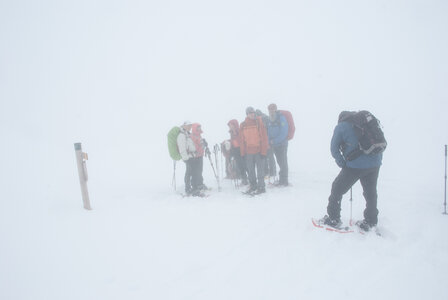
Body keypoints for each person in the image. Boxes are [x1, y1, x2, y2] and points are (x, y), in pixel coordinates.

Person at [322, 111, 383, 231]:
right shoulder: (367, 124)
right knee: (370, 193)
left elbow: (334, 148)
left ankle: (333, 219)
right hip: (375, 164)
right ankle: (371, 221)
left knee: (337, 189)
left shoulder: (341, 126)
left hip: (355, 166)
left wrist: (342, 163)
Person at [240, 107, 269, 194]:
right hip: (249, 152)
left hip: (259, 151)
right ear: (247, 114)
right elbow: (242, 140)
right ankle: (253, 186)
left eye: (253, 112)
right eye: (250, 113)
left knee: (260, 171)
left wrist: (264, 152)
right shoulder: (243, 125)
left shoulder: (259, 123)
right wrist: (242, 153)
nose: (252, 114)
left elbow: (264, 138)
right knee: (251, 171)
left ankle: (261, 187)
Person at [266, 104, 289, 186]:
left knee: (283, 162)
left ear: (276, 109)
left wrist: (274, 141)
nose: (271, 111)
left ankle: (284, 181)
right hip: (274, 145)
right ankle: (282, 180)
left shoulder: (281, 118)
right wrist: (269, 141)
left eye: (272, 109)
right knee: (280, 162)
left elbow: (284, 133)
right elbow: (268, 131)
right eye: (269, 110)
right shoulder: (269, 120)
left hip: (282, 144)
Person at [177, 121, 201, 196]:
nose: (190, 127)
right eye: (188, 126)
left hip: (192, 156)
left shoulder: (186, 134)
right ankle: (188, 189)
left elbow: (190, 145)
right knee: (189, 172)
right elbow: (182, 148)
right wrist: (185, 158)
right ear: (184, 126)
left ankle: (194, 188)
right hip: (188, 157)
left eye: (190, 126)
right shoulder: (181, 135)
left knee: (193, 172)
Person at [256, 109, 276, 179]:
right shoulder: (266, 118)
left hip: (265, 142)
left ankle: (268, 172)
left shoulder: (261, 120)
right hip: (269, 141)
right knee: (270, 157)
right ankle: (272, 172)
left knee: (265, 156)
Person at [227, 119, 248, 185]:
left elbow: (242, 140)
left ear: (234, 125)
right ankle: (244, 179)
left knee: (245, 165)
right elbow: (233, 141)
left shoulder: (240, 131)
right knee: (240, 166)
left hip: (242, 150)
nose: (230, 126)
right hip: (236, 151)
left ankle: (250, 178)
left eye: (231, 125)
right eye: (229, 125)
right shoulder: (232, 133)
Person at [190, 123, 208, 191]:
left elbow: (200, 144)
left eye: (200, 127)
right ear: (195, 128)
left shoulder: (199, 135)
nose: (199, 128)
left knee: (199, 171)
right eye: (198, 127)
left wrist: (204, 143)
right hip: (195, 156)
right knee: (196, 171)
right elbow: (194, 146)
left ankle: (200, 184)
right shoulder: (192, 136)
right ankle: (196, 185)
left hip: (200, 155)